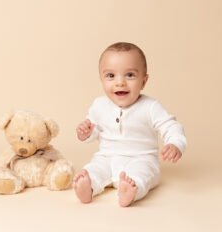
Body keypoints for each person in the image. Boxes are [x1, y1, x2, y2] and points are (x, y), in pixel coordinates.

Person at [73, 42, 187, 207]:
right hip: (108, 157)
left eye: (130, 75)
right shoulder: (99, 105)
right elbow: (94, 130)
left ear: (144, 80)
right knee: (95, 168)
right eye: (111, 76)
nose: (120, 83)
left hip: (141, 158)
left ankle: (131, 190)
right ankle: (88, 186)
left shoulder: (150, 106)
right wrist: (85, 133)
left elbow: (171, 126)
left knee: (143, 174)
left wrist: (175, 143)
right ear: (101, 80)